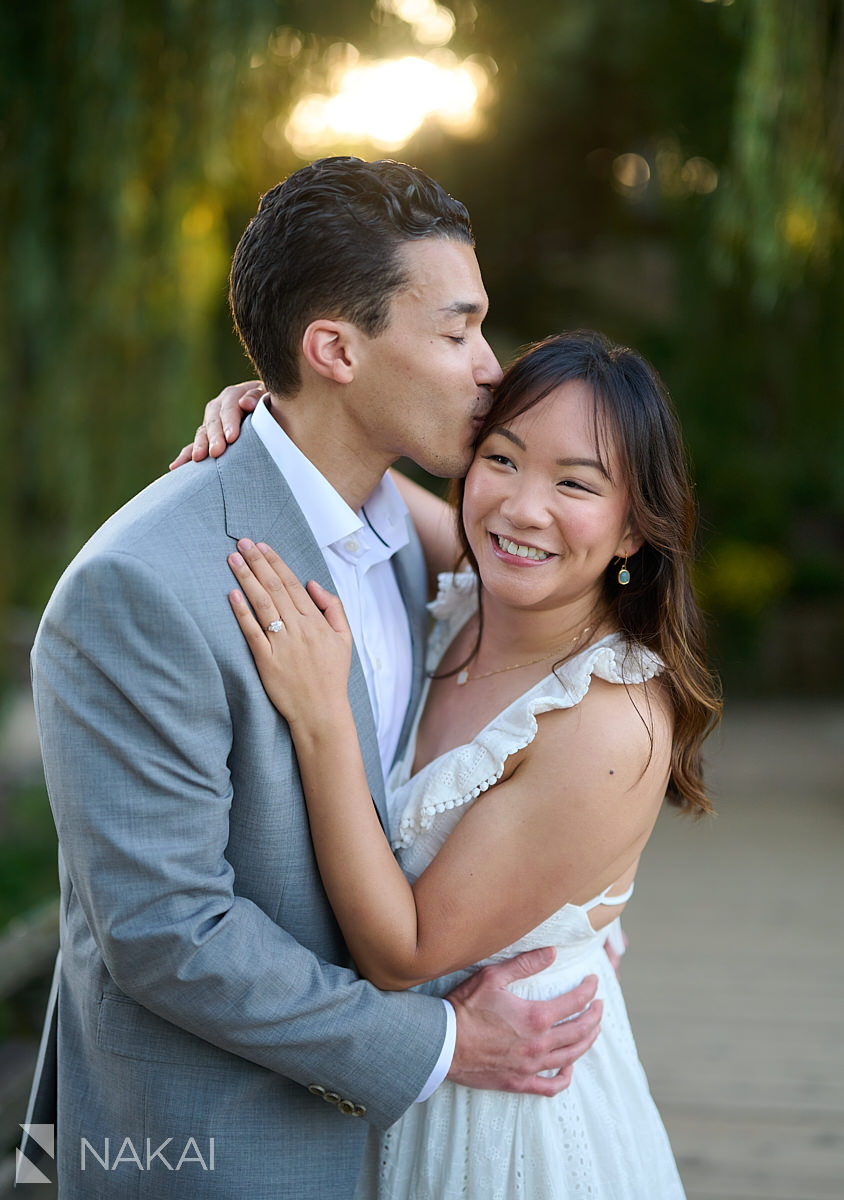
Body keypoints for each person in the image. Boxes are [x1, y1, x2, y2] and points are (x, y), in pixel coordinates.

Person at [23, 159, 605, 1199]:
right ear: (334, 349)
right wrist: (435, 1045)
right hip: (220, 1145)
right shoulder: (144, 586)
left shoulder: (432, 542)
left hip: (449, 1141)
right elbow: (166, 931)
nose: (489, 369)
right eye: (456, 329)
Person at [215, 329, 722, 1197]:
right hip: (411, 1081)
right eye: (502, 459)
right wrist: (265, 419)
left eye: (575, 483)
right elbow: (346, 478)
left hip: (507, 1122)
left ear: (636, 528)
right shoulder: (480, 584)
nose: (523, 509)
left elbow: (404, 951)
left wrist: (321, 714)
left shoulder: (610, 724)